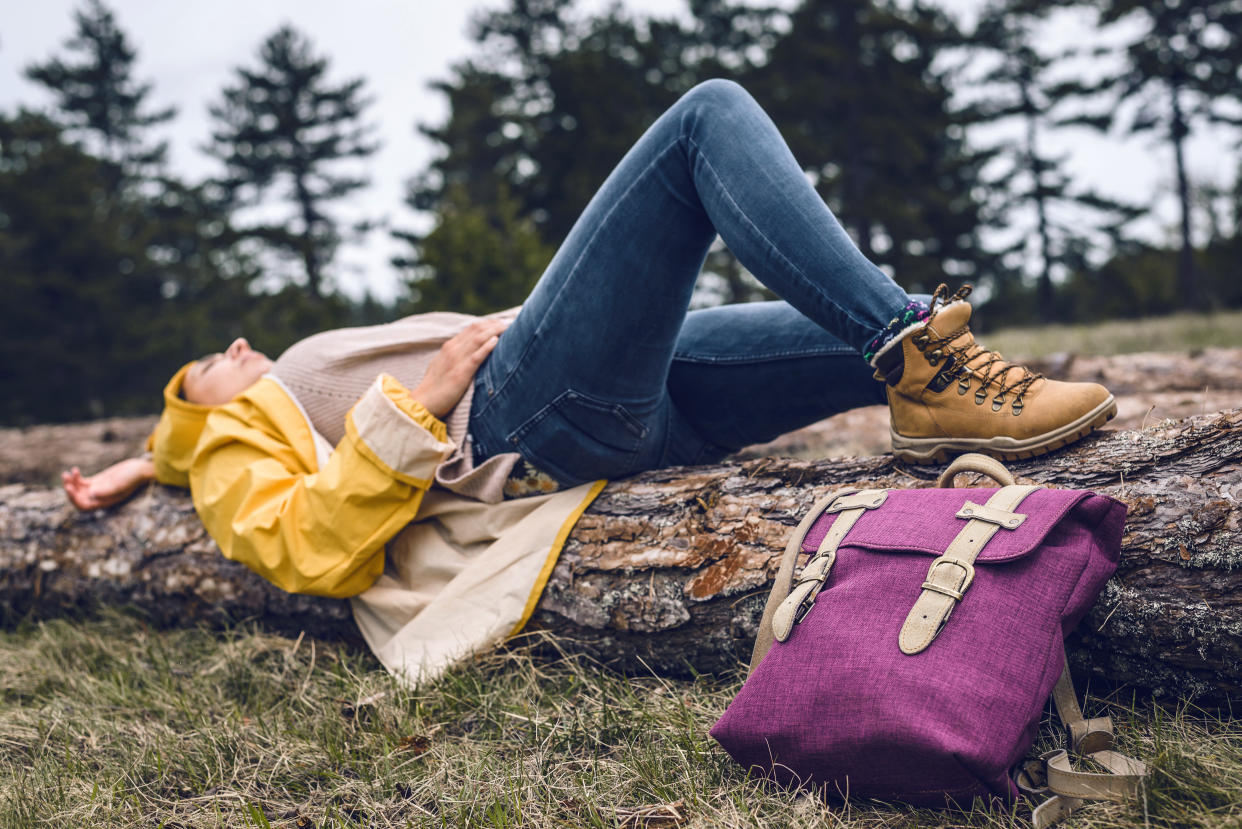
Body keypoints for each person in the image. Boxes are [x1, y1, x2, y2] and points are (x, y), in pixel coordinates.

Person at [62, 80, 1115, 684]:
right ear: (202, 402)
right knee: (705, 117)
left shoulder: (206, 435)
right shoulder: (233, 440)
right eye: (210, 360)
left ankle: (926, 358)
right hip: (528, 419)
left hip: (629, 402)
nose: (236, 344)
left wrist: (129, 463)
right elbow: (298, 545)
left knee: (848, 314)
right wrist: (415, 406)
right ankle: (920, 362)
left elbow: (174, 443)